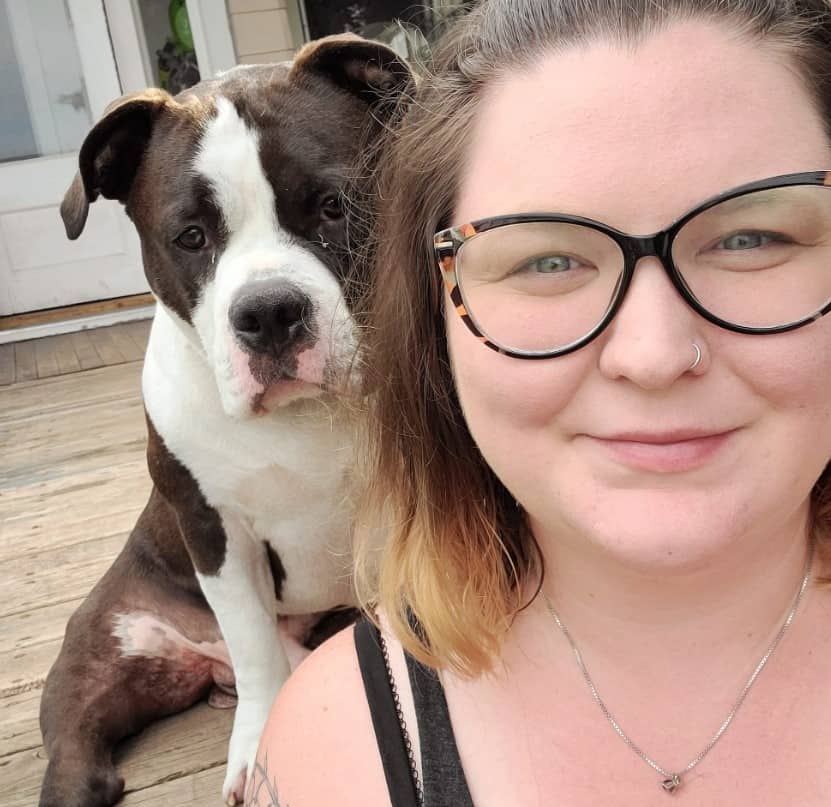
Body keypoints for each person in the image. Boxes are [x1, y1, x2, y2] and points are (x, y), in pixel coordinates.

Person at [247, 1, 831, 804]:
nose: (654, 355)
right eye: (547, 258)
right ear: (433, 325)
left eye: (750, 239)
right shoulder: (340, 749)